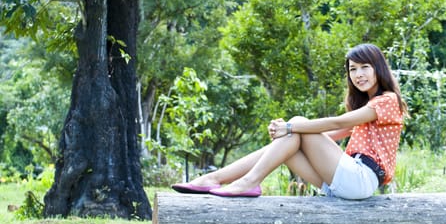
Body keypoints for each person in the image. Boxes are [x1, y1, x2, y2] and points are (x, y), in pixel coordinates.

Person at [172, 43, 407, 199]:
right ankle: (215, 178)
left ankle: (249, 181)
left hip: (361, 179)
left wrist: (290, 126)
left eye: (365, 67)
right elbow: (329, 136)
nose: (358, 75)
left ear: (378, 68)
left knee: (295, 125)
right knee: (290, 140)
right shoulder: (366, 106)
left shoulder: (387, 101)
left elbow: (336, 123)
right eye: (353, 69)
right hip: (340, 183)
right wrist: (287, 135)